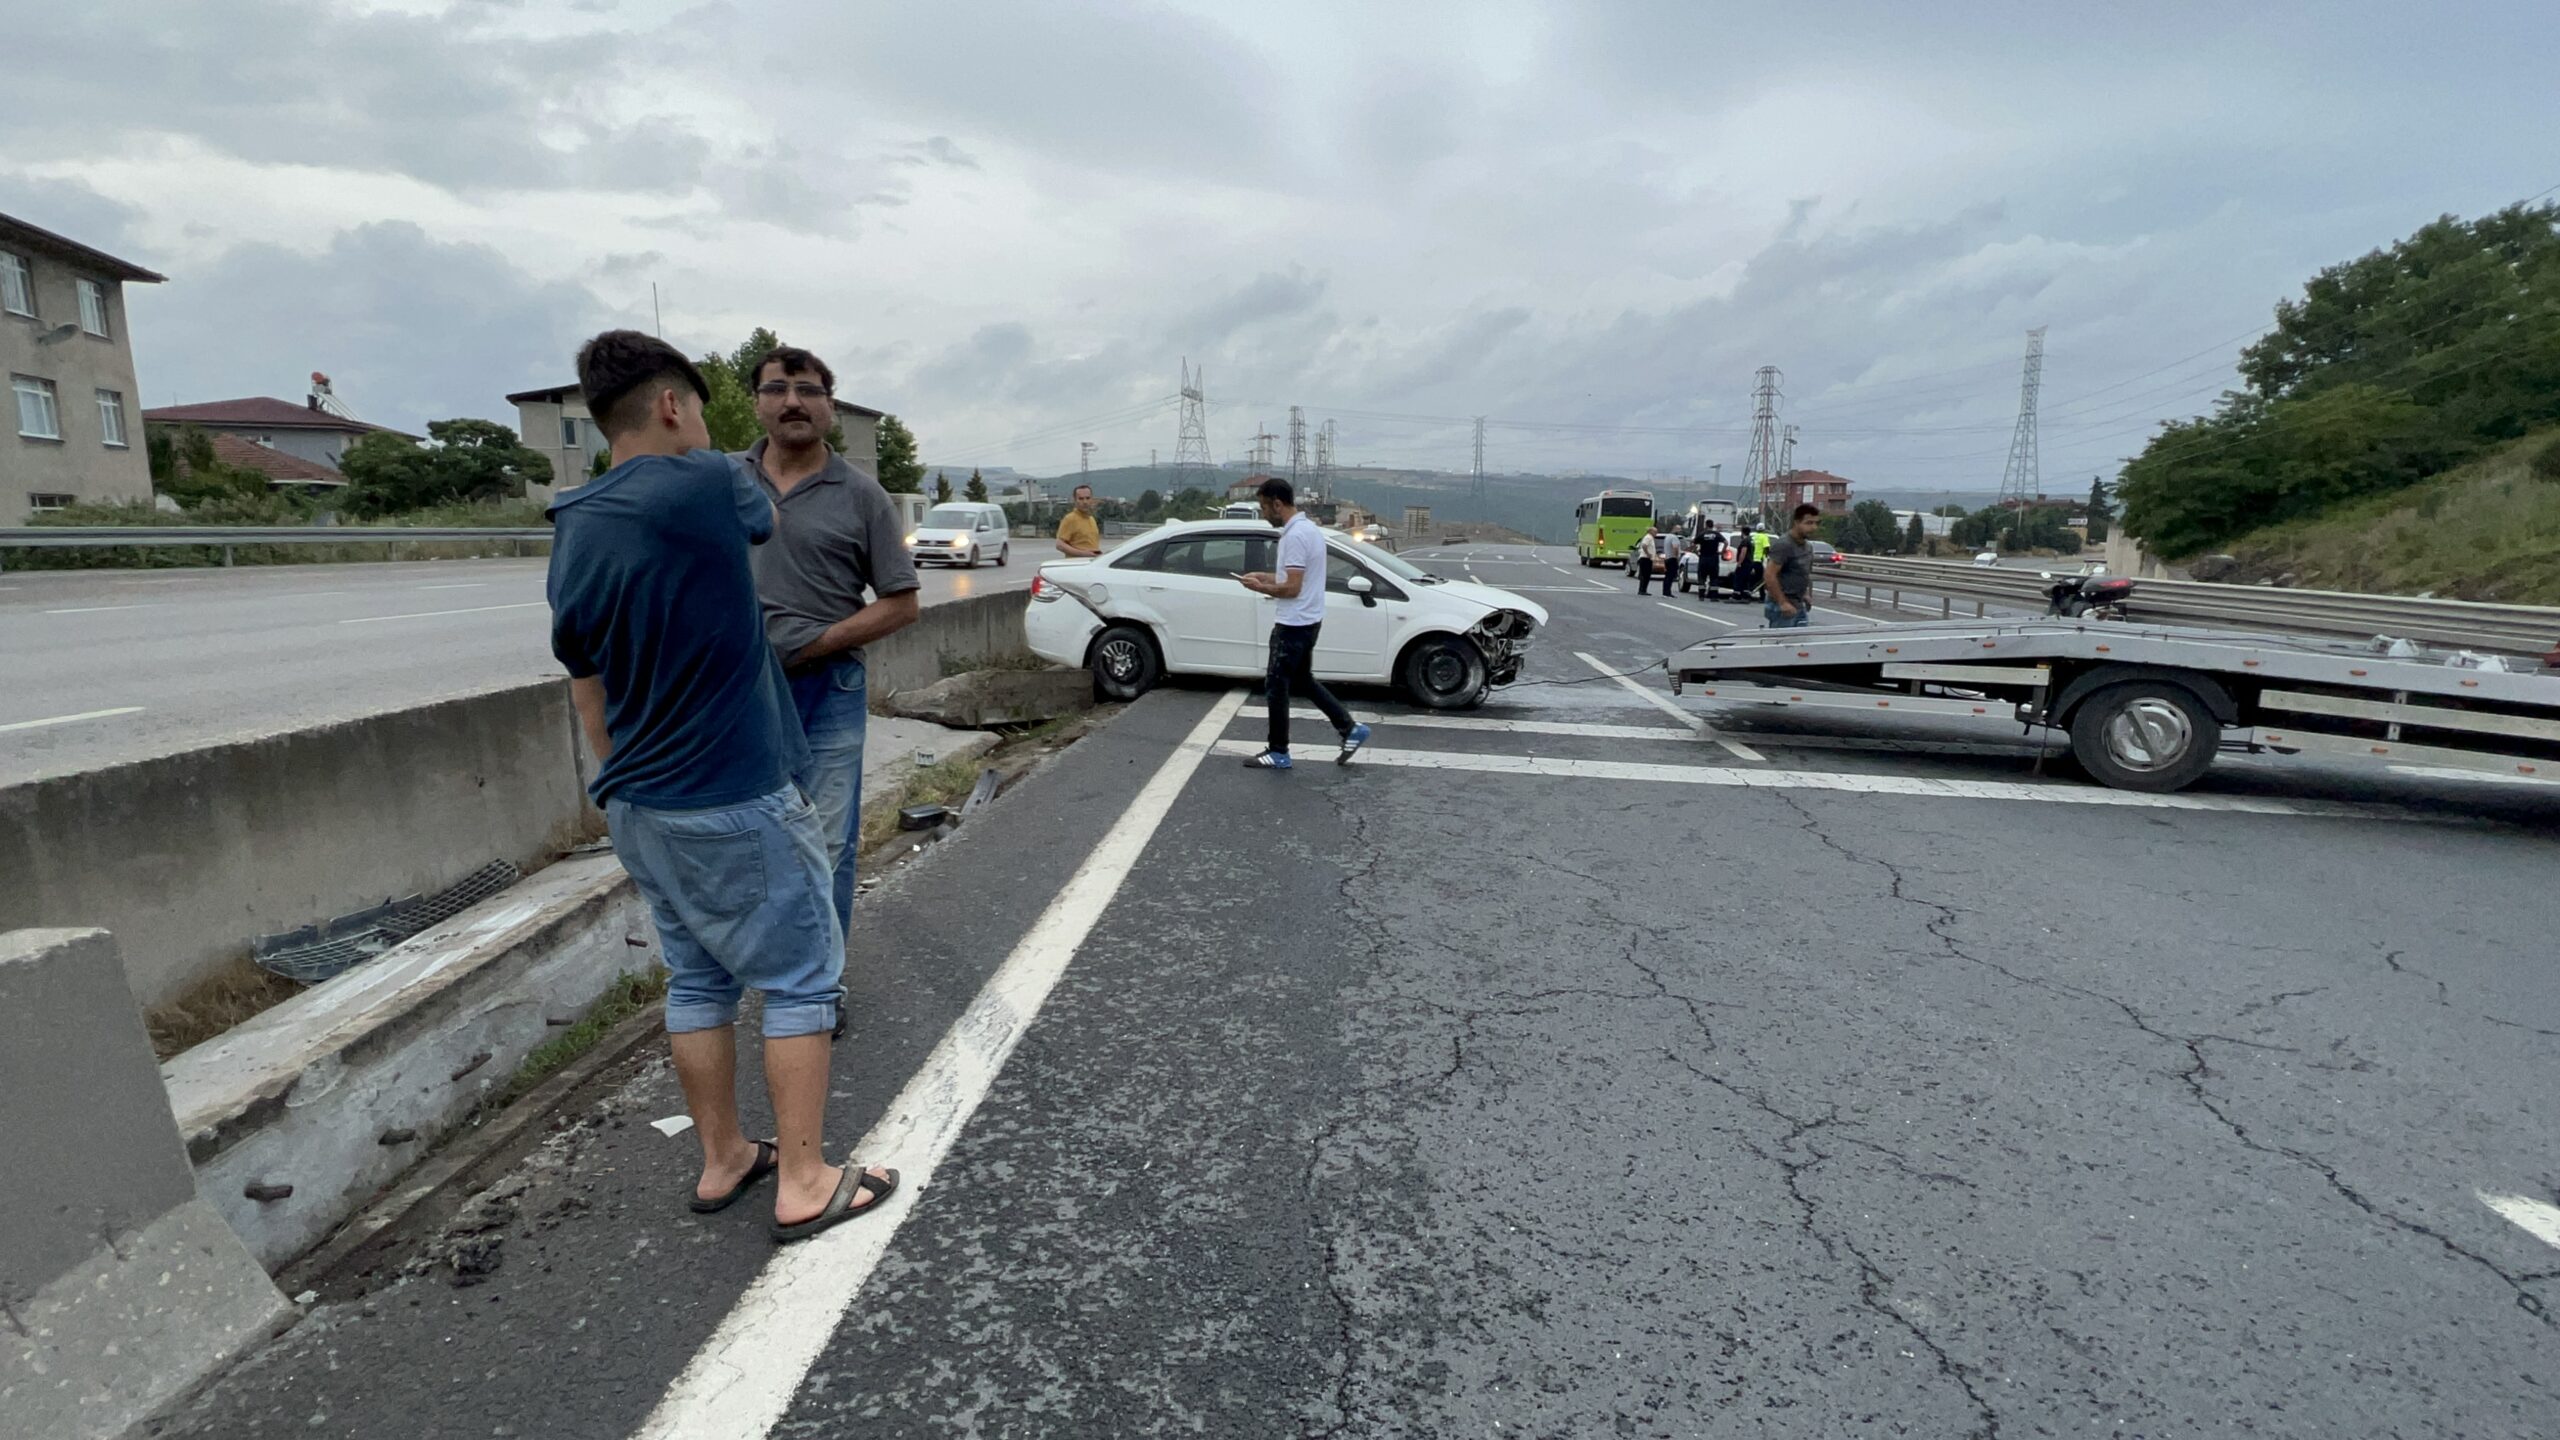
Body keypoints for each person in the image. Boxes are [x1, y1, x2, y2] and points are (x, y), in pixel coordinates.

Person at [547, 330, 895, 1241]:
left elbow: (584, 670)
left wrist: (612, 770)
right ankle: (807, 1178)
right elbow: (760, 517)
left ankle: (726, 1157)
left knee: (696, 979)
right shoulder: (708, 480)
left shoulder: (574, 517)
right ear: (672, 405)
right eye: (700, 407)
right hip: (734, 792)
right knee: (802, 980)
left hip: (637, 800)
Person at [737, 345, 921, 939]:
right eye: (777, 388)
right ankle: (767, 963)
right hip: (735, 692)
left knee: (824, 841)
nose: (793, 401)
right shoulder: (722, 480)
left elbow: (902, 602)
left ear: (830, 407)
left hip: (828, 689)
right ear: (757, 403)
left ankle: (820, 982)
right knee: (747, 837)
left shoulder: (862, 494)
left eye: (809, 390)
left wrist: (814, 644)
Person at [1236, 477, 1370, 770]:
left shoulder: (1294, 536)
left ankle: (1278, 750)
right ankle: (1349, 728)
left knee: (1275, 685)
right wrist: (1264, 576)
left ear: (1277, 504)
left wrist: (1260, 589)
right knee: (1301, 680)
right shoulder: (1308, 530)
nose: (1262, 514)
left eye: (1263, 507)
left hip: (1293, 623)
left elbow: (1292, 588)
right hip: (1309, 619)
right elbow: (1294, 579)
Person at [1764, 503, 1823, 629]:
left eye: (1816, 523)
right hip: (1781, 606)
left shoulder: (1808, 547)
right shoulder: (1784, 545)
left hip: (1798, 604)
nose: (1813, 527)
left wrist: (1805, 593)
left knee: (1800, 645)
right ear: (1797, 522)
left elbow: (1801, 573)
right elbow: (1769, 575)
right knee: (1781, 645)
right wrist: (1782, 602)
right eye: (1809, 523)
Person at [1056, 484, 1103, 557]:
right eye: (1081, 499)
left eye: (1088, 498)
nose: (1085, 502)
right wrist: (1083, 554)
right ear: (1075, 500)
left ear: (1092, 499)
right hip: (1077, 564)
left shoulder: (1091, 519)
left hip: (1090, 563)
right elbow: (1059, 545)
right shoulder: (1070, 519)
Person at [1633, 524, 1666, 596]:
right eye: (1655, 532)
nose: (1656, 533)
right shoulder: (1648, 537)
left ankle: (1643, 589)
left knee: (1647, 575)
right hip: (1645, 559)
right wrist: (1648, 554)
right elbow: (1644, 545)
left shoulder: (1650, 537)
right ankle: (1642, 590)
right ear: (1651, 531)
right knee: (1645, 575)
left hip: (1648, 559)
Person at [1697, 523, 1724, 601]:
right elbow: (1725, 542)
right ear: (1713, 526)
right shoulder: (1717, 534)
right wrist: (1722, 551)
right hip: (1713, 559)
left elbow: (1694, 542)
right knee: (1714, 577)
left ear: (1706, 525)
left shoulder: (1702, 534)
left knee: (1702, 577)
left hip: (1703, 558)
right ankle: (1713, 597)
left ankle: (1701, 596)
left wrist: (1697, 551)